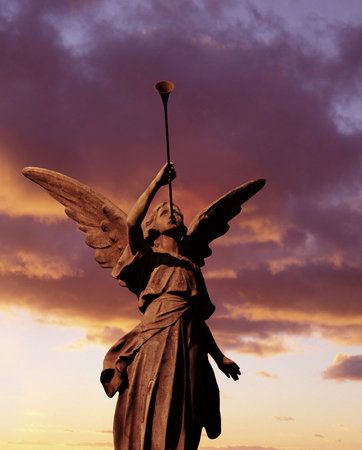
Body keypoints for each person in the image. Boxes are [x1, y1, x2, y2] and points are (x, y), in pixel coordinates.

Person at [100, 163, 241, 450]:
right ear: (152, 227)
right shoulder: (146, 257)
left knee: (184, 413)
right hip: (154, 341)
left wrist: (218, 356)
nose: (174, 213)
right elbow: (130, 224)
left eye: (177, 213)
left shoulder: (190, 266)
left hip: (188, 344)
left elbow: (197, 318)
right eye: (166, 213)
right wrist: (156, 183)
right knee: (149, 404)